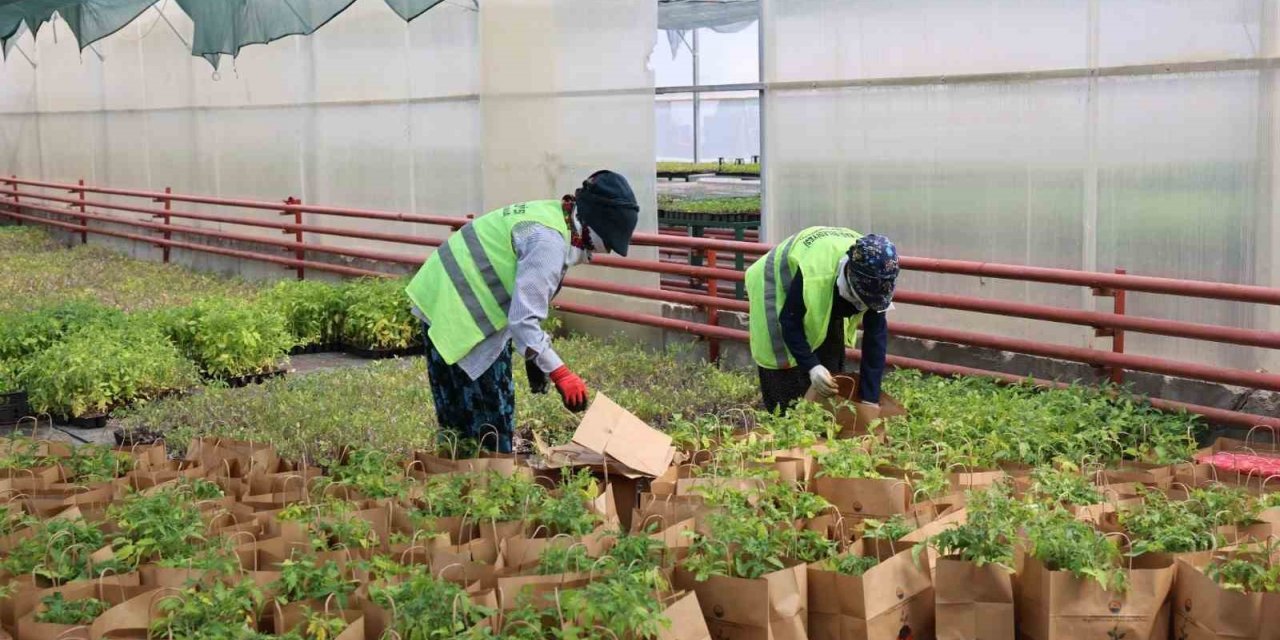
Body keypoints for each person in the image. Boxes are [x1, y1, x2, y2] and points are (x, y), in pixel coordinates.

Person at [405, 170, 640, 453]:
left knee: (458, 421)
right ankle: (486, 481)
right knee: (490, 422)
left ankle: (455, 472)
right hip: (458, 311)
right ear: (596, 227)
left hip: (440, 295)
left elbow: (522, 300)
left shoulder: (553, 216)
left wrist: (534, 357)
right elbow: (523, 321)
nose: (609, 252)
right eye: (610, 243)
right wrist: (560, 373)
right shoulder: (549, 243)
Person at [745, 227, 899, 423]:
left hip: (823, 278)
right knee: (782, 367)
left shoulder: (878, 274)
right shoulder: (816, 275)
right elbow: (789, 320)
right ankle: (784, 424)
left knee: (830, 364)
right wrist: (812, 366)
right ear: (850, 276)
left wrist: (870, 399)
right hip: (774, 282)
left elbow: (875, 340)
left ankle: (823, 421)